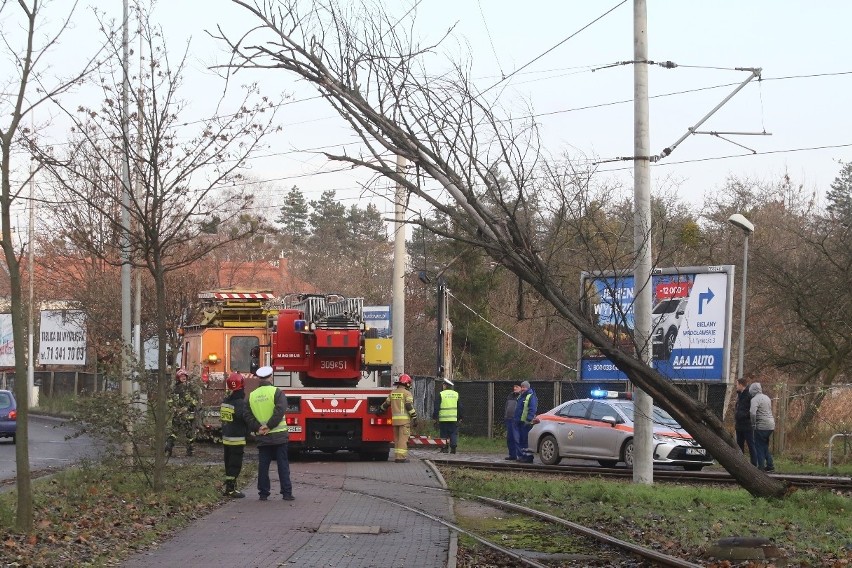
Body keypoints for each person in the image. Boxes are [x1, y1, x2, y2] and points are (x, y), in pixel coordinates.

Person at [245, 365, 294, 500]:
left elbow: (247, 415)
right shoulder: (277, 392)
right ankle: (286, 493)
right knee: (282, 465)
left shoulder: (252, 395)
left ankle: (263, 494)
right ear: (271, 377)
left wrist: (258, 428)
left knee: (263, 466)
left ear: (259, 379)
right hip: (279, 436)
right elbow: (279, 412)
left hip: (262, 437)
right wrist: (269, 426)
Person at [376, 373, 417, 463]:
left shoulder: (393, 393)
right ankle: (401, 458)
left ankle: (397, 457)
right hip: (404, 421)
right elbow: (408, 406)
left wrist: (380, 411)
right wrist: (414, 417)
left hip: (395, 421)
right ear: (407, 383)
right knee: (403, 439)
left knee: (397, 439)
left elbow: (386, 404)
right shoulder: (407, 393)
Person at [220, 371, 249, 498]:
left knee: (228, 462)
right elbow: (245, 419)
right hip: (237, 439)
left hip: (226, 438)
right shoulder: (240, 404)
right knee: (235, 464)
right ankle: (231, 489)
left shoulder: (226, 401)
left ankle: (229, 485)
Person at [165, 367, 200, 457]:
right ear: (178, 378)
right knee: (175, 433)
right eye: (182, 376)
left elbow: (195, 400)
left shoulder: (190, 387)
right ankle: (168, 447)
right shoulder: (175, 389)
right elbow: (169, 400)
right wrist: (174, 408)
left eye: (185, 376)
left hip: (188, 414)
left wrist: (187, 408)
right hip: (179, 415)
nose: (184, 377)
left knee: (189, 434)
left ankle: (190, 451)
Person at [749, 382, 776, 473]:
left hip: (761, 425)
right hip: (771, 425)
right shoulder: (767, 397)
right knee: (764, 445)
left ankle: (761, 467)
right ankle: (770, 465)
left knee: (759, 446)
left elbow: (752, 412)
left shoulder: (755, 399)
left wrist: (753, 424)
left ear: (752, 390)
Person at [433, 378, 462, 454]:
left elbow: (437, 407)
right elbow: (460, 407)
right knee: (453, 433)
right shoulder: (456, 394)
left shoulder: (441, 394)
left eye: (443, 385)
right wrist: (460, 417)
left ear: (445, 386)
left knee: (444, 433)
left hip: (443, 419)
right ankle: (453, 448)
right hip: (453, 419)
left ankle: (444, 448)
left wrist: (435, 417)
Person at [734, 377, 758, 467]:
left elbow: (752, 409)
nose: (736, 386)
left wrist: (744, 415)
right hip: (739, 424)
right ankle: (741, 464)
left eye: (737, 384)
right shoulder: (739, 395)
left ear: (741, 385)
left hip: (747, 424)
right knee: (739, 445)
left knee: (751, 444)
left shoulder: (749, 395)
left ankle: (754, 464)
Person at [514, 381, 538, 463]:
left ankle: (528, 457)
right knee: (521, 440)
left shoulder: (531, 396)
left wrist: (528, 419)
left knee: (526, 440)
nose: (523, 388)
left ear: (528, 387)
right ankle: (523, 456)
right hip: (519, 421)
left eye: (524, 387)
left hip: (526, 422)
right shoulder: (521, 396)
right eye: (522, 387)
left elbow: (532, 409)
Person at [504, 383, 522, 460]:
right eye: (514, 386)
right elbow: (506, 407)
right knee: (510, 438)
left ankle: (520, 455)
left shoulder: (522, 396)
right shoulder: (510, 396)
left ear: (521, 388)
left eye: (517, 387)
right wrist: (505, 416)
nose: (515, 388)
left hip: (516, 420)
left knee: (517, 438)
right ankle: (512, 455)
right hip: (509, 419)